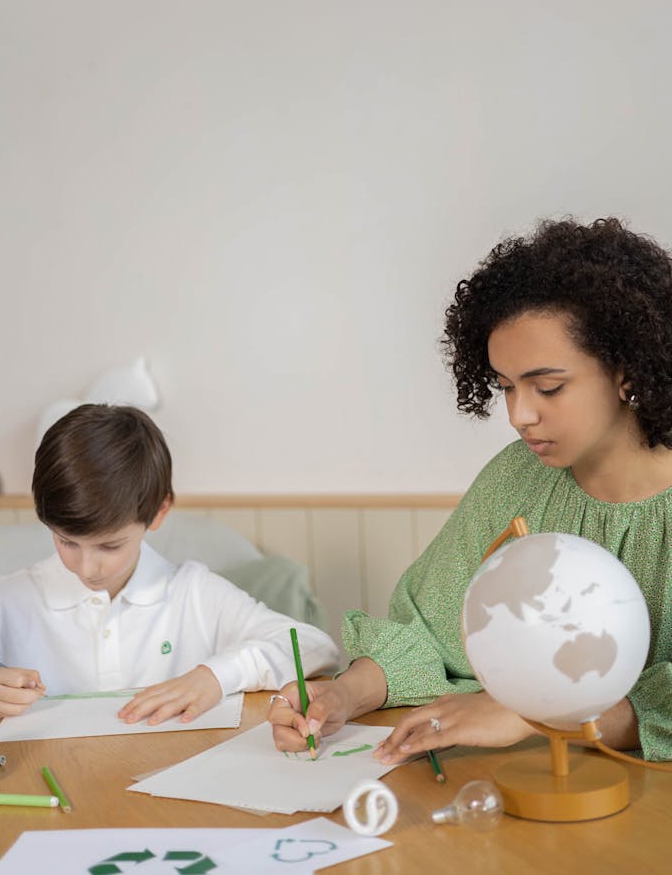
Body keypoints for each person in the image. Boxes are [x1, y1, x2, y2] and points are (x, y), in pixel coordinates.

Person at [269, 217, 672, 762]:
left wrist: (539, 714)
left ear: (628, 369)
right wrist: (343, 693)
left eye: (548, 387)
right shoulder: (517, 478)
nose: (519, 415)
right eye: (505, 387)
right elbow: (432, 626)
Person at [0, 405, 338, 720]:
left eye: (109, 546)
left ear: (158, 512)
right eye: (67, 542)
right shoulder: (5, 601)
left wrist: (215, 676)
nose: (87, 568)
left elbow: (315, 648)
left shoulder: (193, 594)